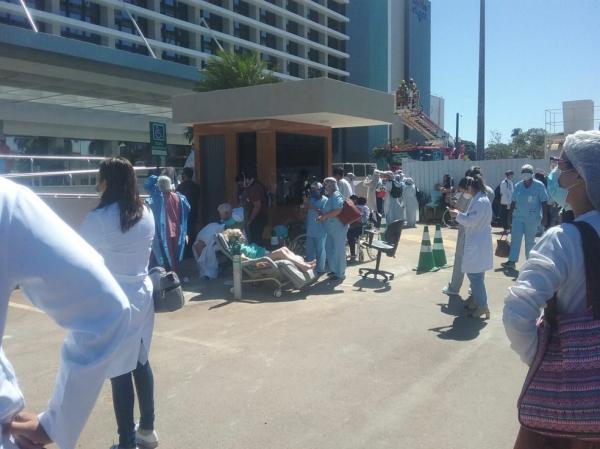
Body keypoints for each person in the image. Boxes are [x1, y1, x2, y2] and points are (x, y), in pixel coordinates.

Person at [0, 177, 130, 449]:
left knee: (125, 376)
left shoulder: (99, 218)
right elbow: (104, 304)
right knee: (134, 370)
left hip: (106, 289)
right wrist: (60, 423)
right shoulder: (7, 200)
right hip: (136, 292)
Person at [503, 130, 600, 448]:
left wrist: (540, 357)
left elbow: (518, 312)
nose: (558, 169)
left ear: (583, 177)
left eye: (564, 163)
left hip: (568, 401)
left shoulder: (564, 238)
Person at [80, 157, 158, 449]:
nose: (97, 184)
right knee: (140, 360)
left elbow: (80, 260)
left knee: (118, 370)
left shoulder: (99, 218)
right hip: (142, 293)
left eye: (99, 179)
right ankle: (147, 431)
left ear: (107, 182)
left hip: (114, 298)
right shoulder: (146, 211)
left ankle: (127, 441)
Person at [448, 174, 493, 319]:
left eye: (463, 191)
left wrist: (457, 215)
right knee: (475, 275)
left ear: (469, 188)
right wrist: (460, 214)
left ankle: (483, 305)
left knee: (476, 277)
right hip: (478, 241)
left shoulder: (480, 201)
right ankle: (476, 301)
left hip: (477, 243)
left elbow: (471, 221)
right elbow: (471, 217)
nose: (463, 194)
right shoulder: (479, 199)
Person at [501, 164, 548, 270]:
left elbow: (544, 202)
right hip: (518, 217)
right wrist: (509, 216)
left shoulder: (539, 185)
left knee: (530, 241)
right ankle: (512, 261)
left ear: (532, 174)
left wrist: (545, 217)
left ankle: (530, 263)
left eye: (527, 171)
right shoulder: (518, 185)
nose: (525, 173)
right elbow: (513, 201)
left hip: (532, 218)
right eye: (523, 171)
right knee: (515, 239)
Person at [145, 175, 191, 273]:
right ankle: (174, 274)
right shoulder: (179, 197)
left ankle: (170, 276)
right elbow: (188, 208)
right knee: (174, 254)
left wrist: (154, 178)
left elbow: (147, 187)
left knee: (164, 254)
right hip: (177, 229)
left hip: (162, 231)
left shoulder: (157, 198)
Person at [222, 229, 316, 272]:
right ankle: (303, 266)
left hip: (264, 256)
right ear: (235, 238)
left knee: (284, 248)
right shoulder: (237, 248)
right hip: (259, 260)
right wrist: (254, 262)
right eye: (240, 235)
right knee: (281, 252)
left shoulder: (242, 245)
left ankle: (302, 263)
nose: (243, 235)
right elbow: (243, 259)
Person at [193, 203, 239, 280]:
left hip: (226, 241)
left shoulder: (235, 222)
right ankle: (206, 272)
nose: (220, 216)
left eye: (222, 214)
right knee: (200, 246)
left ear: (227, 213)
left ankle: (209, 272)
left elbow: (232, 236)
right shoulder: (221, 222)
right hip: (214, 238)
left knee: (207, 249)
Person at [317, 177, 348, 280]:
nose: (325, 186)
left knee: (338, 250)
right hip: (331, 228)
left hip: (338, 228)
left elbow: (339, 209)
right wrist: (323, 214)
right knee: (330, 248)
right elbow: (330, 210)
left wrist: (324, 216)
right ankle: (334, 270)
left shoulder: (336, 194)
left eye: (326, 184)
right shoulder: (331, 196)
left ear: (331, 185)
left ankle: (340, 273)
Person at [236, 171, 268, 245]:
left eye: (241, 184)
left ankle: (258, 254)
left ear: (246, 179)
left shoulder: (254, 188)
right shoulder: (249, 188)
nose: (241, 186)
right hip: (255, 217)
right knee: (253, 238)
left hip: (258, 217)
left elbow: (257, 206)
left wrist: (250, 219)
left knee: (256, 239)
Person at [303, 182, 328, 274]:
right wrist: (305, 203)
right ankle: (310, 268)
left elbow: (325, 214)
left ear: (320, 190)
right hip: (310, 229)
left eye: (315, 190)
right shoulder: (311, 199)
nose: (313, 191)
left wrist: (313, 207)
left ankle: (320, 269)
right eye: (312, 190)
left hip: (320, 230)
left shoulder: (325, 200)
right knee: (309, 251)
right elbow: (305, 211)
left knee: (320, 251)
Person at [176, 167, 201, 256]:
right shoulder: (196, 186)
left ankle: (184, 251)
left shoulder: (180, 186)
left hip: (183, 213)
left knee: (183, 231)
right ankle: (191, 250)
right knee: (192, 231)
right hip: (194, 211)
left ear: (184, 175)